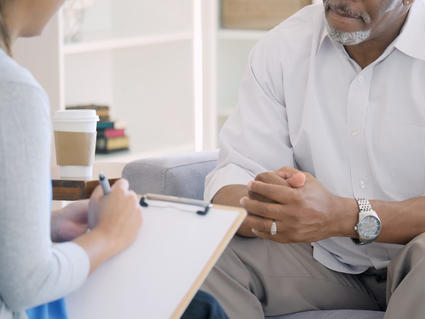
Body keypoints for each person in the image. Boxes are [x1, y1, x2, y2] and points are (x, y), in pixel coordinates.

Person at [0, 1, 227, 319]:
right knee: (201, 310)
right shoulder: (13, 92)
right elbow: (28, 283)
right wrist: (108, 236)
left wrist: (45, 227)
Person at [201, 0, 425, 318]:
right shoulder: (284, 46)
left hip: (415, 258)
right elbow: (238, 171)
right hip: (320, 260)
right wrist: (270, 206)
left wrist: (341, 216)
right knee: (202, 257)